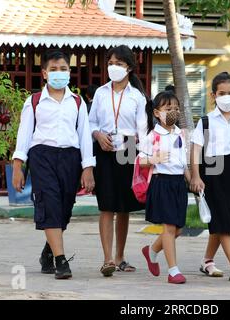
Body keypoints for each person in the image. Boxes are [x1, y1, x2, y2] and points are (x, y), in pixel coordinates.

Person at [12, 49, 95, 280]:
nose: (59, 73)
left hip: (71, 158)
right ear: (45, 74)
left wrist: (87, 168)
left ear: (70, 72)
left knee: (64, 208)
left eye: (64, 69)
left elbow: (85, 136)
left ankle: (48, 251)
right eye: (54, 69)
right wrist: (18, 167)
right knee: (49, 204)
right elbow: (24, 135)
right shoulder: (35, 101)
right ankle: (61, 260)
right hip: (42, 157)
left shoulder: (77, 102)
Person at [88, 45, 148, 277]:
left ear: (130, 68)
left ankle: (121, 256)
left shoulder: (137, 96)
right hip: (104, 150)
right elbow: (91, 123)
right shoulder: (101, 93)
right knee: (106, 206)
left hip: (129, 150)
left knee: (123, 208)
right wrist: (98, 135)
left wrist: (142, 156)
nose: (114, 67)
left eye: (119, 64)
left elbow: (142, 131)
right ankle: (107, 259)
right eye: (111, 63)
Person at [190, 72, 230, 281]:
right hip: (211, 172)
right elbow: (196, 150)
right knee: (223, 219)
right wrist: (196, 177)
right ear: (213, 95)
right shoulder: (206, 122)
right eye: (222, 93)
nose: (227, 97)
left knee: (222, 219)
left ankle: (207, 261)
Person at [140, 91, 191, 284]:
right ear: (156, 112)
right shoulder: (152, 135)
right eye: (168, 108)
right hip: (162, 183)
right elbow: (139, 161)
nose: (173, 112)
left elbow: (183, 163)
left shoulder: (180, 134)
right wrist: (154, 159)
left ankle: (151, 251)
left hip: (178, 184)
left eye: (176, 108)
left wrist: (192, 180)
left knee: (177, 229)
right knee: (169, 228)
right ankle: (173, 271)